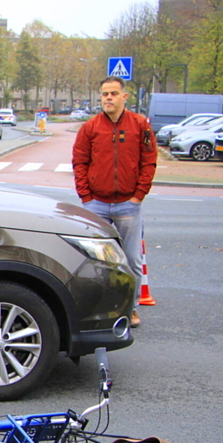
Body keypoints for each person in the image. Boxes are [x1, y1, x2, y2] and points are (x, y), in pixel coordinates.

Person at [72, 75, 157, 329]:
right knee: (95, 261)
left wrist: (138, 195)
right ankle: (97, 310)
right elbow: (79, 162)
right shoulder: (90, 128)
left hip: (129, 205)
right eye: (104, 94)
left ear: (124, 97)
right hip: (96, 204)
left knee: (131, 260)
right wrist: (86, 196)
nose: (108, 98)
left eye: (113, 93)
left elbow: (148, 161)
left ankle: (130, 310)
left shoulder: (140, 125)